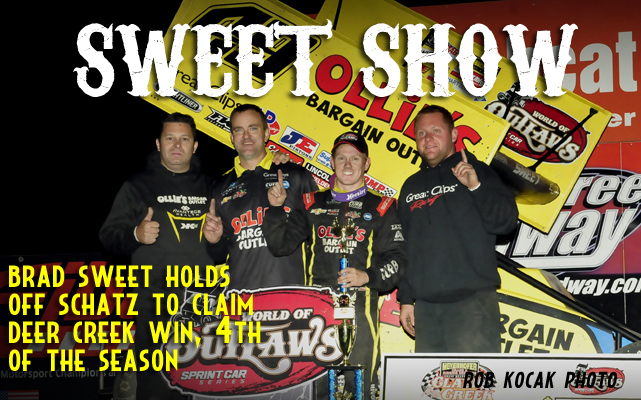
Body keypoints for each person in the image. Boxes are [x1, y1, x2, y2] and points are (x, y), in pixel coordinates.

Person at [262, 132, 406, 400]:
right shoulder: (310, 202)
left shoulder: (383, 206)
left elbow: (398, 260)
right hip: (315, 314)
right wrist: (275, 209)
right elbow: (280, 246)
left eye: (355, 158)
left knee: (359, 391)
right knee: (315, 391)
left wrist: (367, 276)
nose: (348, 165)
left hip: (360, 313)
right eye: (341, 158)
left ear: (367, 163)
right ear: (332, 162)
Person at [99, 112, 213, 400]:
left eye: (184, 138)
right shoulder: (137, 186)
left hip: (204, 303)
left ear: (194, 146)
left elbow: (228, 244)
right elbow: (108, 237)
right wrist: (136, 235)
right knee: (156, 387)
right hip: (154, 303)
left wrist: (219, 238)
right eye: (170, 138)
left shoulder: (213, 187)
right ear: (158, 144)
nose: (177, 144)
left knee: (204, 385)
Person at [397, 105, 518, 353]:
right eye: (421, 133)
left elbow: (506, 223)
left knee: (474, 379)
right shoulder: (410, 186)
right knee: (428, 379)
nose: (428, 139)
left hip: (473, 304)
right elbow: (406, 246)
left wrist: (475, 187)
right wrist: (407, 300)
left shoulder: (479, 172)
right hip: (427, 309)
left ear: (453, 135)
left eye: (436, 131)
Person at [202, 103, 318, 290]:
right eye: (239, 130)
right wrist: (214, 241)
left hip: (292, 295)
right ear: (232, 137)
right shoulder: (220, 187)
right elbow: (219, 256)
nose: (246, 136)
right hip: (241, 298)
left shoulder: (296, 175)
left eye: (253, 128)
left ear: (266, 134)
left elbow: (318, 237)